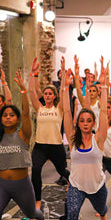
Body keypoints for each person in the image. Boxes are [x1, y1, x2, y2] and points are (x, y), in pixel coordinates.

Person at [0, 70, 46, 220]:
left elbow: (25, 112)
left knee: (31, 213)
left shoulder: (23, 134)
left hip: (22, 184)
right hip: (1, 185)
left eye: (11, 115)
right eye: (5, 115)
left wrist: (24, 91)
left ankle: (41, 218)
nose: (7, 117)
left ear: (16, 119)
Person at [62, 63, 109, 220]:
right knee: (72, 214)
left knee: (101, 207)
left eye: (90, 120)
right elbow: (65, 110)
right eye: (82, 120)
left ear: (93, 122)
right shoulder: (73, 140)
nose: (86, 123)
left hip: (98, 185)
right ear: (78, 123)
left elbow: (105, 115)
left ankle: (104, 215)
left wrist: (105, 87)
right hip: (76, 186)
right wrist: (65, 87)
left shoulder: (99, 138)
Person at [28, 57, 70, 209]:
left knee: (62, 171)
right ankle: (37, 200)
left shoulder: (58, 109)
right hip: (40, 146)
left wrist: (63, 71)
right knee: (36, 169)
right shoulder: (39, 108)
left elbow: (64, 89)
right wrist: (33, 74)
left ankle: (74, 183)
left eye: (50, 94)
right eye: (45, 93)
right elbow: (31, 90)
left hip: (56, 146)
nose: (47, 95)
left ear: (54, 96)